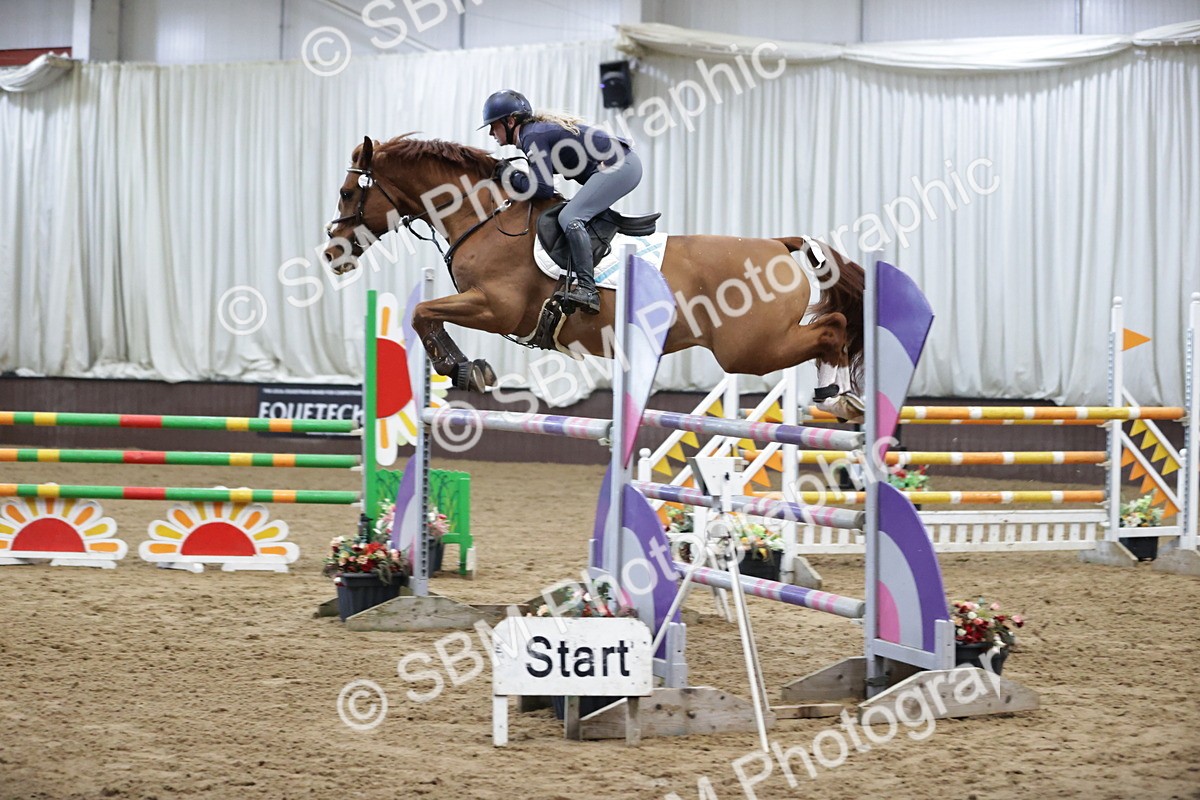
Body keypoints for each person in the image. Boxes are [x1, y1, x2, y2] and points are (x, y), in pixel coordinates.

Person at [480, 89, 642, 315]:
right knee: (572, 213)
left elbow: (542, 188)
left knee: (570, 216)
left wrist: (512, 175)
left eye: (493, 125)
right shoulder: (533, 133)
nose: (490, 132)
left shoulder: (531, 135)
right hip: (621, 164)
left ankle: (588, 289)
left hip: (622, 165)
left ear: (510, 121)